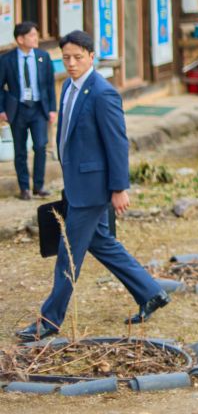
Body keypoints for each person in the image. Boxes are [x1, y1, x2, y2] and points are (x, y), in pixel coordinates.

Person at [17, 30, 168, 341]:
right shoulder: (68, 88)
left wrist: (119, 188)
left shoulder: (103, 93)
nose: (71, 63)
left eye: (77, 57)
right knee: (102, 243)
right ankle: (151, 292)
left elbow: (117, 143)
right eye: (66, 57)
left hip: (94, 188)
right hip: (77, 183)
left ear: (91, 57)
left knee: (68, 252)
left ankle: (49, 320)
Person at [0, 21, 57, 200]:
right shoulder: (7, 60)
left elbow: (49, 85)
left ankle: (38, 186)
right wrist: (2, 109)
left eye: (36, 34)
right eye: (32, 35)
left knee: (40, 146)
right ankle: (24, 187)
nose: (36, 38)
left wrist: (52, 110)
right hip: (17, 110)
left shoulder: (43, 57)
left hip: (39, 108)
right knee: (20, 150)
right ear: (20, 39)